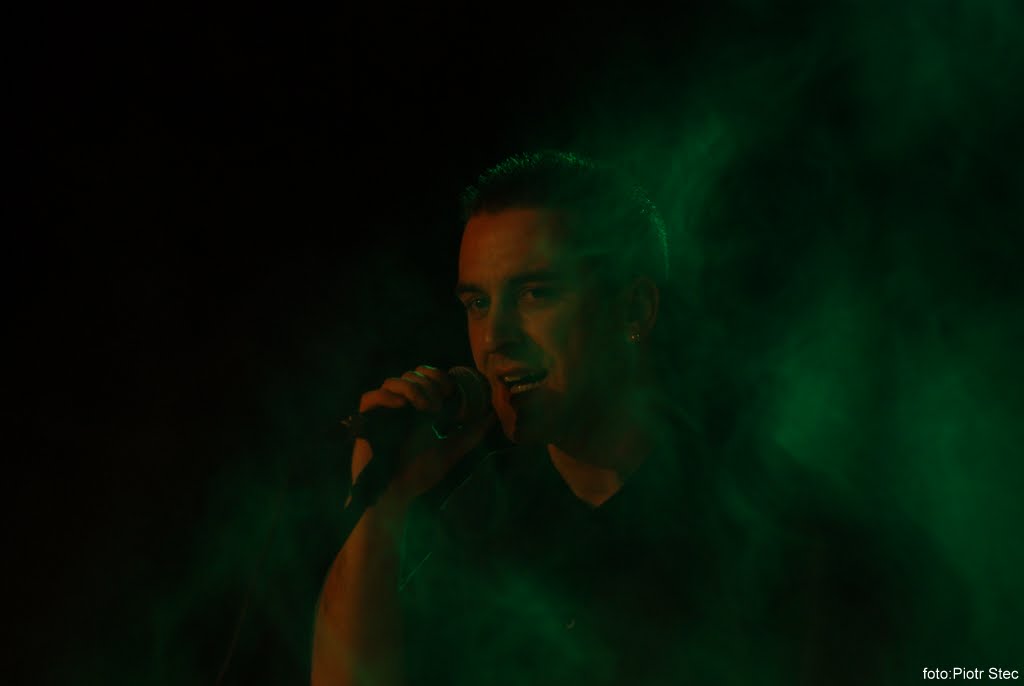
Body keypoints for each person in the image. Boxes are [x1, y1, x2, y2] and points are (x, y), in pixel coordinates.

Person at [311, 151, 963, 685]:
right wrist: (382, 511)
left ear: (634, 310)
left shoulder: (775, 531)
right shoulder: (484, 519)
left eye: (536, 293)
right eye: (477, 304)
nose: (494, 337)